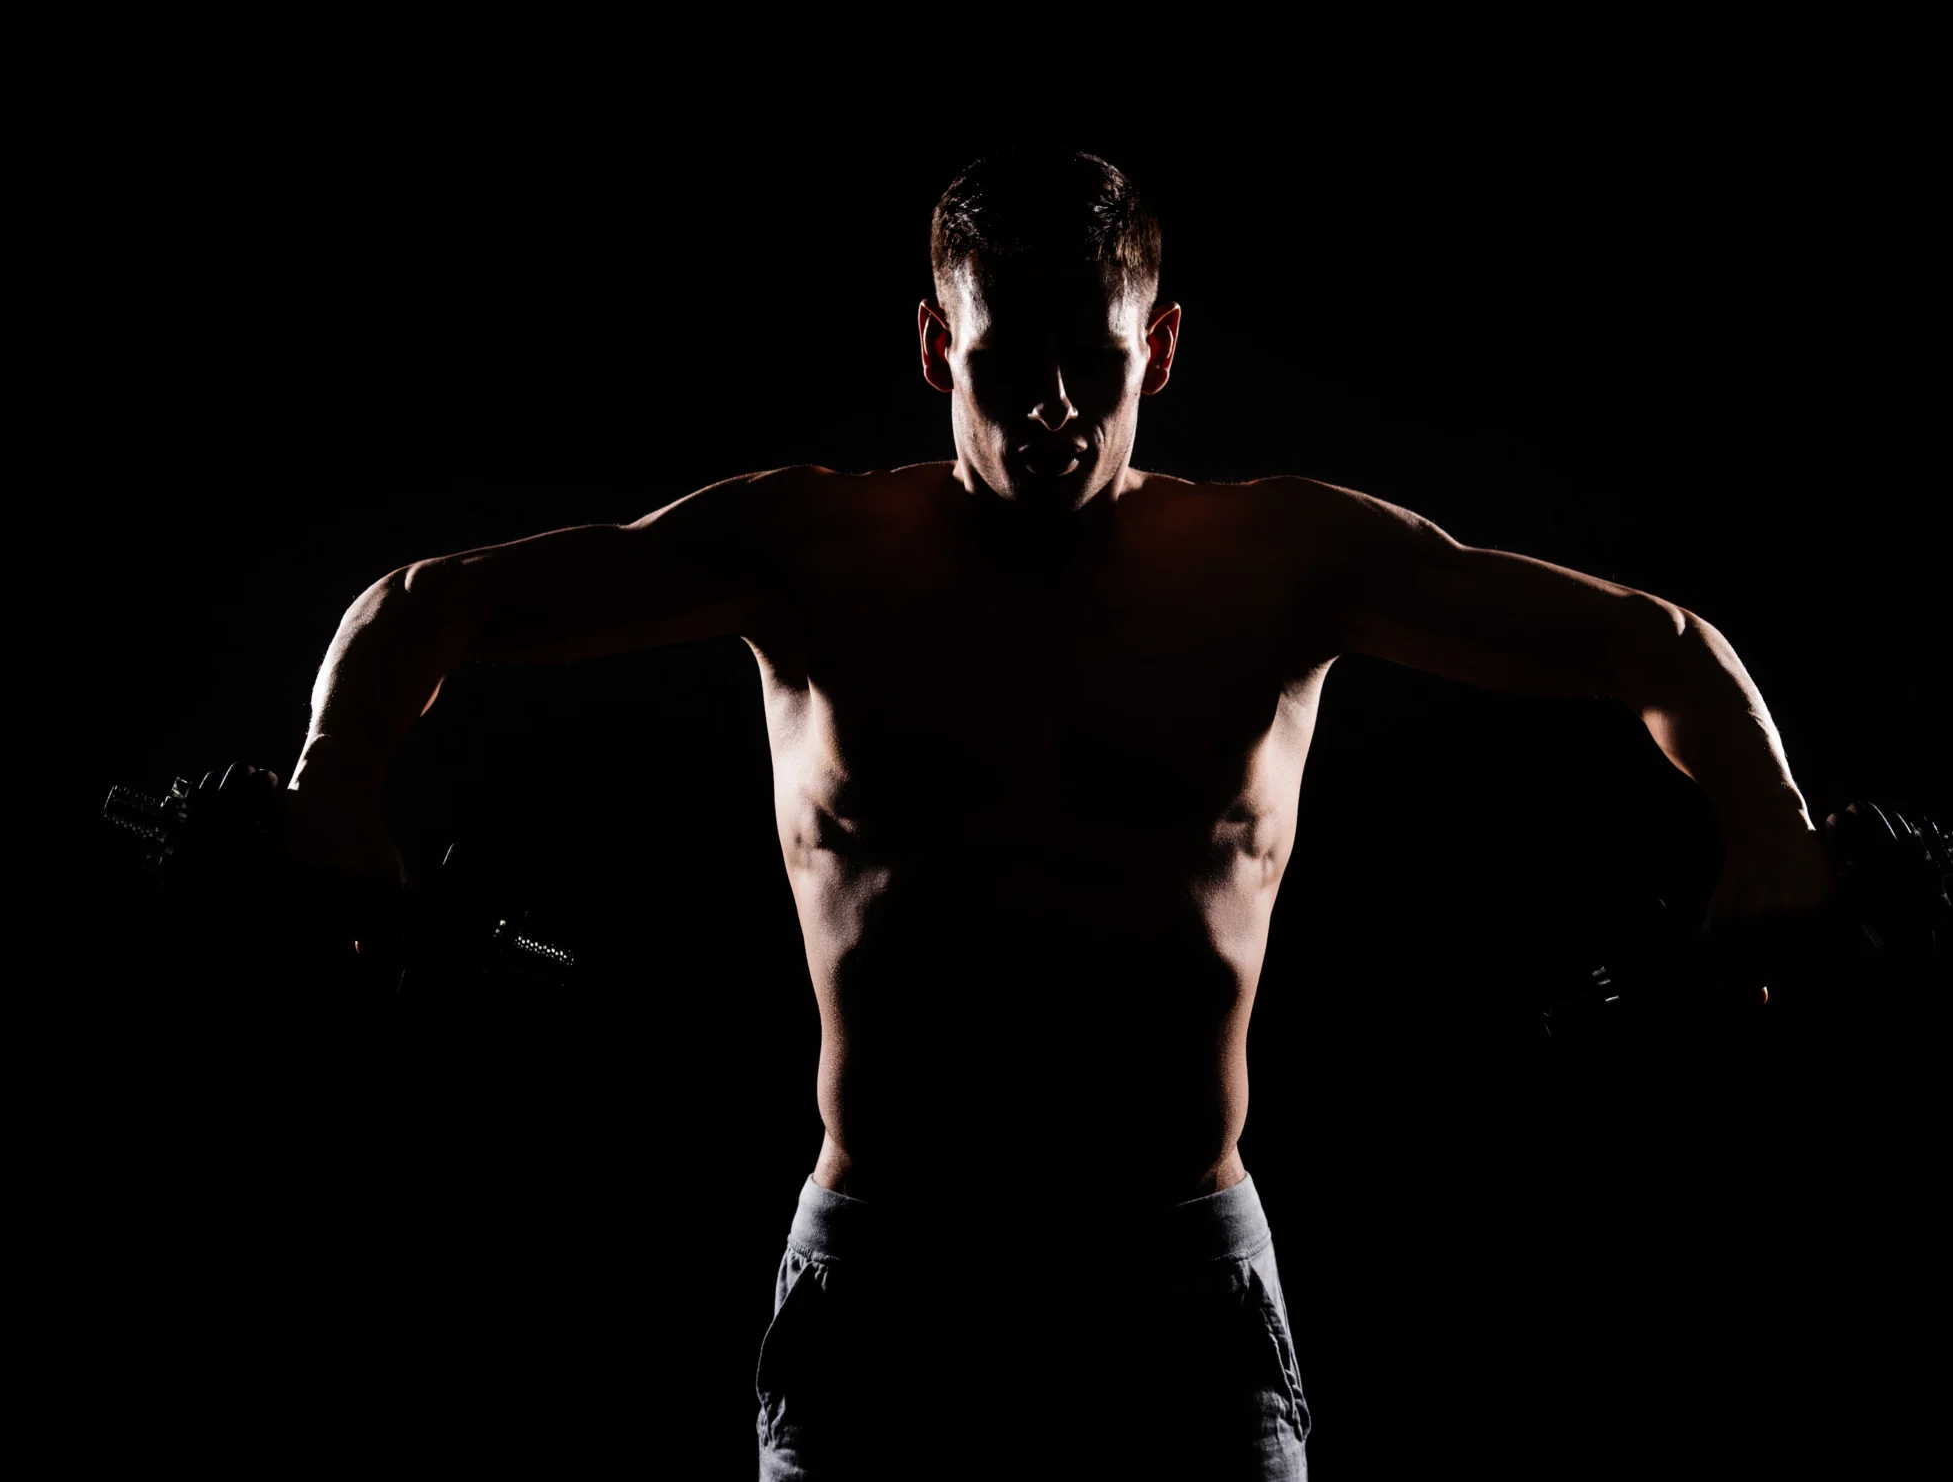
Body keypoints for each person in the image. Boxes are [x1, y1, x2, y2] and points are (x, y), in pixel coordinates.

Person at [274, 151, 1847, 1479]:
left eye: (1091, 367)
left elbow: (1658, 647)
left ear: (1158, 349)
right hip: (885, 1279)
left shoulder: (1285, 566)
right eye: (997, 366)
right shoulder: (809, 554)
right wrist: (332, 782)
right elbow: (430, 606)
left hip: (1174, 1282)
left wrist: (1771, 826)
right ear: (925, 344)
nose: (1048, 412)